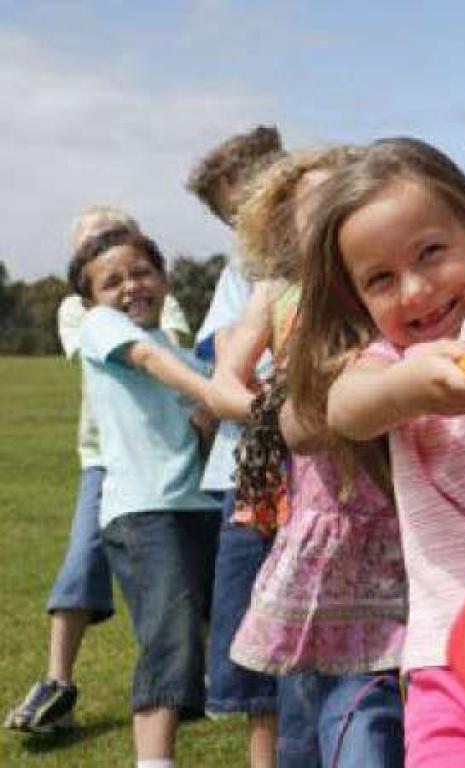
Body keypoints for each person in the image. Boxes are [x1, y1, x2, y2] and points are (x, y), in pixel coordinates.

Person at [287, 137, 465, 766]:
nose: (415, 291)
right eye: (381, 280)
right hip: (450, 655)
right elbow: (345, 408)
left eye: (431, 253)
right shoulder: (385, 360)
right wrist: (406, 387)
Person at [214, 147, 406, 767]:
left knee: (376, 691)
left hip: (399, 510)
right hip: (322, 512)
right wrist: (284, 417)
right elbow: (225, 384)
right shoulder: (276, 293)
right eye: (310, 208)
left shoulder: (382, 281)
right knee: (314, 691)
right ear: (282, 229)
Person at [4, 205, 190, 735]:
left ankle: (188, 680)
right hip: (105, 459)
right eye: (90, 246)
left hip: (162, 453)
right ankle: (57, 680)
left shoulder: (161, 300)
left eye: (112, 239)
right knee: (82, 560)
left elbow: (171, 344)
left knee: (183, 572)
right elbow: (124, 348)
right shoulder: (79, 312)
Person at [71, 226, 221, 768]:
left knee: (218, 635)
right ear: (93, 298)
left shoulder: (182, 351)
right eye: (113, 281)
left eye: (142, 272)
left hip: (200, 507)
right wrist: (216, 394)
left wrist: (209, 413)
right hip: (145, 511)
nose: (132, 286)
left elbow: (201, 422)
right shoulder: (100, 326)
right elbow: (149, 363)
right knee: (170, 638)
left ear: (164, 278)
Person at [185, 125, 284, 768]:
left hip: (325, 460)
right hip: (251, 467)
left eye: (248, 203)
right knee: (256, 627)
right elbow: (217, 353)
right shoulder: (240, 268)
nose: (242, 222)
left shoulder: (331, 247)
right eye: (230, 215)